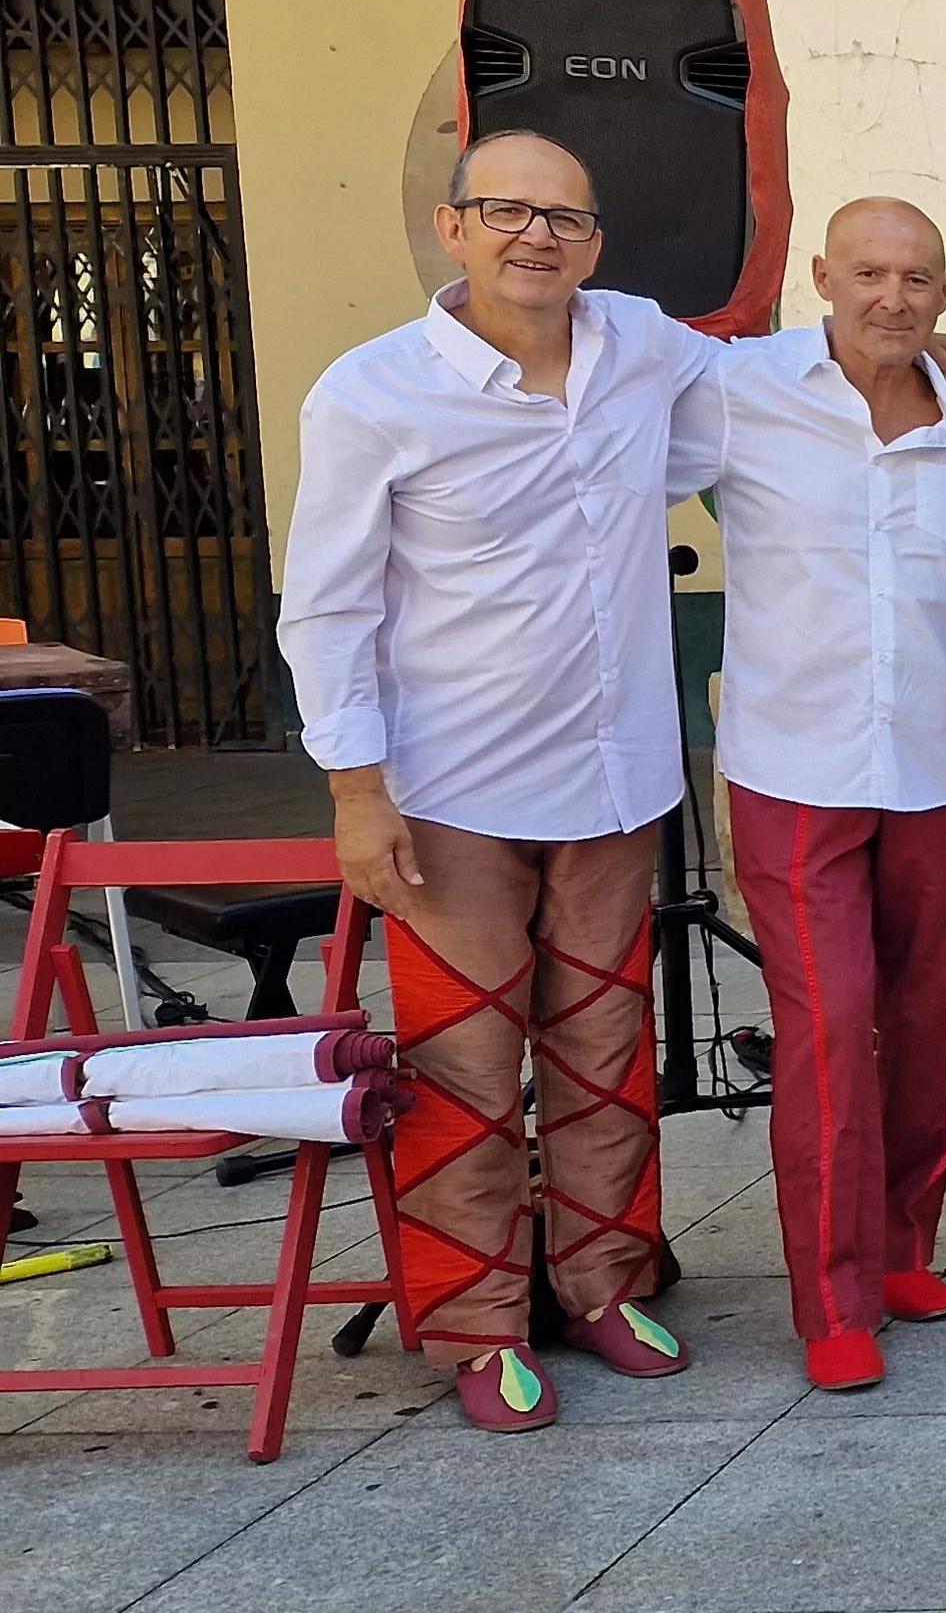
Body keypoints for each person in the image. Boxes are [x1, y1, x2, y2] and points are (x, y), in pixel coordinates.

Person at [276, 130, 695, 1432]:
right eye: (507, 211)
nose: (537, 236)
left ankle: (607, 1282)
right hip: (450, 794)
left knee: (610, 1050)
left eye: (565, 218)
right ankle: (475, 1325)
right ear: (452, 228)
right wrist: (355, 789)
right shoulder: (374, 391)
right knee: (461, 1068)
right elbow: (327, 605)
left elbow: (788, 379)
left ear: (597, 244)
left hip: (618, 776)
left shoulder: (640, 346)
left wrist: (932, 363)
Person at [680, 198, 946, 1389]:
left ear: (945, 293)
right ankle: (834, 1300)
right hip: (793, 767)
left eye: (915, 279)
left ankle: (904, 1243)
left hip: (940, 758)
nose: (891, 298)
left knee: (932, 1019)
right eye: (868, 274)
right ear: (822, 278)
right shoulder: (739, 388)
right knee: (828, 1030)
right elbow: (600, 450)